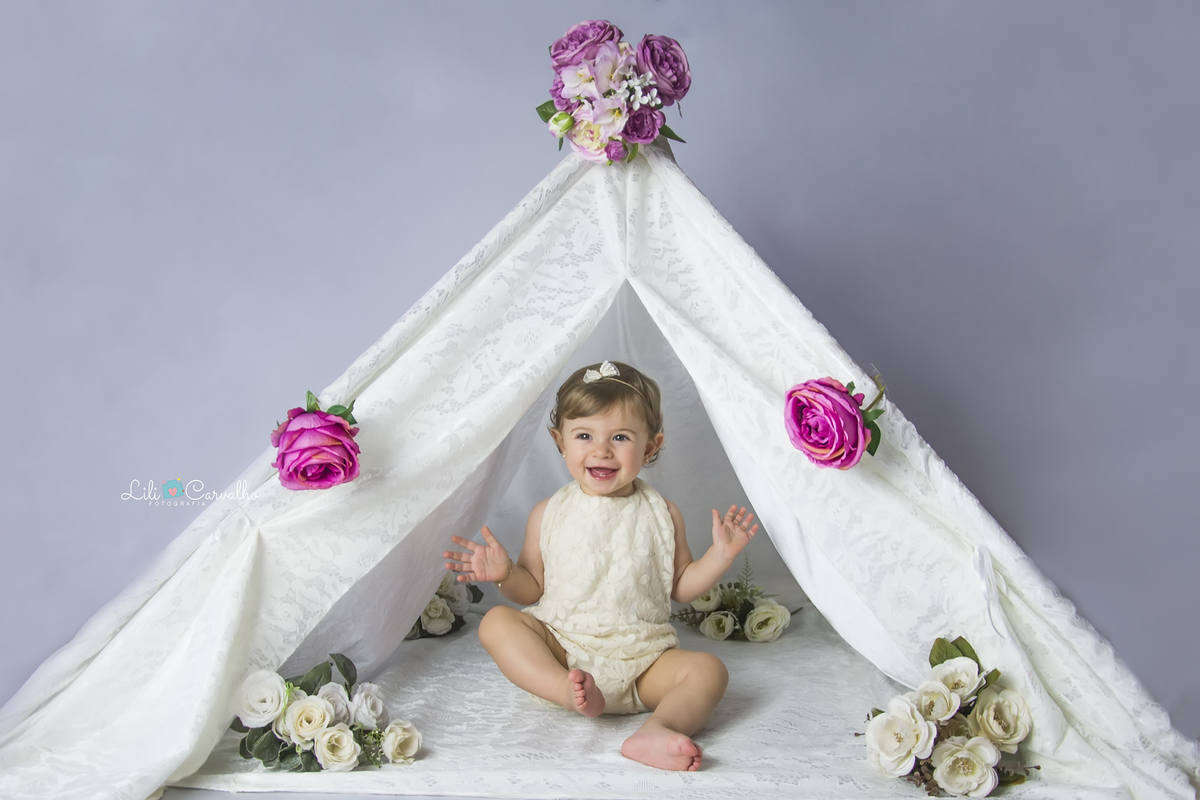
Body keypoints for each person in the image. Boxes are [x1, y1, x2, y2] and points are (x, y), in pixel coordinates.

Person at [442, 360, 759, 772]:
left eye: (621, 437)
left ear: (650, 446)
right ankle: (563, 690)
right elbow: (532, 588)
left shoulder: (663, 513)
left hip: (644, 662)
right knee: (497, 622)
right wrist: (505, 575)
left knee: (709, 670)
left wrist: (720, 556)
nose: (601, 450)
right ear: (561, 441)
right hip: (563, 650)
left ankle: (657, 729)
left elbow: (679, 585)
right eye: (585, 435)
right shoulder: (548, 512)